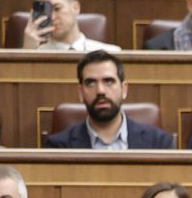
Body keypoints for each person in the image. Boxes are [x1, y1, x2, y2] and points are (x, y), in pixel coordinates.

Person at [48, 51, 177, 150]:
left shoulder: (159, 142)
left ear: (124, 89)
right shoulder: (59, 146)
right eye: (91, 83)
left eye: (109, 81)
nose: (100, 91)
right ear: (80, 92)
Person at [20, 0, 119, 52]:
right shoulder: (36, 54)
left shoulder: (110, 53)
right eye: (46, 13)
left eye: (57, 8)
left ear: (75, 7)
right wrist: (28, 52)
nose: (52, 17)